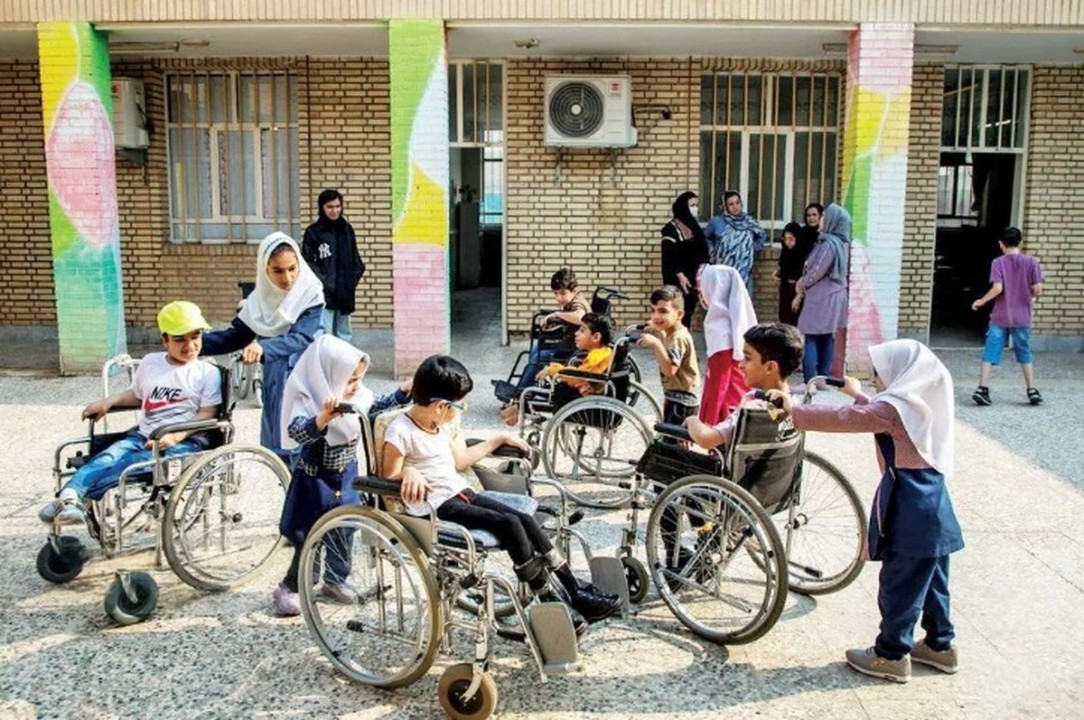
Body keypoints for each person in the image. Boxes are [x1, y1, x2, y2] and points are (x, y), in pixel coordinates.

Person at [768, 339, 964, 683]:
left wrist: (793, 410)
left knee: (899, 583)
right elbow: (879, 414)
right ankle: (940, 645)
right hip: (936, 507)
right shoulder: (921, 403)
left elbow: (849, 418)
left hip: (909, 505)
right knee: (933, 580)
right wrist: (857, 394)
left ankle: (891, 655)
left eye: (879, 372)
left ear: (901, 373)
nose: (875, 378)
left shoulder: (893, 409)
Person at [383, 355, 622, 630]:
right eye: (459, 405)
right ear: (440, 406)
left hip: (462, 494)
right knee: (509, 524)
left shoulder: (441, 425)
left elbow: (460, 461)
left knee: (525, 519)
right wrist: (409, 472)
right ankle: (547, 597)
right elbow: (389, 474)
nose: (460, 411)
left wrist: (498, 439)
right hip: (436, 507)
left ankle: (574, 589)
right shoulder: (400, 430)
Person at [39, 301, 221, 525]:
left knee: (130, 463)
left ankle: (78, 500)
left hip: (184, 441)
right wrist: (109, 402)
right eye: (180, 339)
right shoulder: (151, 362)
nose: (190, 345)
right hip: (143, 434)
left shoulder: (207, 373)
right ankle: (69, 496)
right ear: (165, 340)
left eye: (195, 337)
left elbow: (207, 414)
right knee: (108, 457)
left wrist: (174, 436)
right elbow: (137, 395)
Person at [271, 335, 411, 616]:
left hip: (346, 475)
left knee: (345, 528)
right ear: (327, 377)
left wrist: (402, 393)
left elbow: (375, 408)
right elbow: (297, 431)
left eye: (359, 379)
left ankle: (335, 580)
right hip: (315, 480)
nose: (356, 386)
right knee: (310, 534)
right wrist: (324, 417)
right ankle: (294, 585)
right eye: (350, 380)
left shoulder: (358, 396)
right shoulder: (308, 396)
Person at [202, 232, 324, 464]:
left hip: (307, 376)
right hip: (276, 380)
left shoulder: (310, 294)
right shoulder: (258, 301)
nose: (287, 278)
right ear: (264, 269)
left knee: (305, 443)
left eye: (292, 268)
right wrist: (195, 344)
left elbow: (301, 337)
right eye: (277, 271)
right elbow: (237, 336)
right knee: (277, 443)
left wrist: (264, 348)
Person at [684, 322, 803, 450]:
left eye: (747, 358)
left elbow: (706, 439)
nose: (740, 365)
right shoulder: (795, 404)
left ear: (770, 367)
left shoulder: (754, 409)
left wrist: (691, 420)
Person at [970, 226, 1045, 406]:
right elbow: (1037, 289)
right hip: (1022, 316)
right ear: (1020, 242)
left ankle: (982, 389)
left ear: (1000, 244)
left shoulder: (998, 262)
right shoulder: (1032, 262)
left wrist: (981, 300)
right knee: (1024, 351)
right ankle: (1031, 390)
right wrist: (1032, 296)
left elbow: (998, 288)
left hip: (1000, 316)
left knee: (990, 351)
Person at [500, 312, 615, 426]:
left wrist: (555, 370)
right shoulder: (601, 352)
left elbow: (580, 376)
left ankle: (519, 407)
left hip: (579, 398)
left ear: (596, 337)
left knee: (537, 389)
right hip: (579, 392)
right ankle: (519, 406)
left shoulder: (598, 356)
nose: (576, 333)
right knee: (541, 387)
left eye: (582, 330)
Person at [510, 267, 591, 395]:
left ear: (574, 290)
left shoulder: (578, 303)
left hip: (575, 349)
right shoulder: (572, 300)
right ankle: (530, 384)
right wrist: (553, 318)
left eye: (562, 293)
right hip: (569, 342)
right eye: (556, 293)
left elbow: (580, 317)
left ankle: (519, 394)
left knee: (540, 356)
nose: (558, 298)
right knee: (536, 350)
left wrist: (557, 314)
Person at [794, 203, 850, 383]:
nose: (821, 219)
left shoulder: (828, 244)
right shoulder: (841, 243)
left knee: (809, 337)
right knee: (826, 337)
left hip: (822, 298)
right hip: (833, 296)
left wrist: (801, 284)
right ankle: (823, 379)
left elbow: (817, 270)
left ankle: (811, 380)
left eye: (824, 216)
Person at [301, 189, 365, 342]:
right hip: (325, 293)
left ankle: (344, 358)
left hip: (344, 292)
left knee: (344, 335)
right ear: (322, 207)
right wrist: (324, 282)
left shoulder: (346, 229)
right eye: (329, 207)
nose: (334, 211)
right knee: (325, 335)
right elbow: (307, 262)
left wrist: (350, 282)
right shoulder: (314, 232)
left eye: (337, 206)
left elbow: (356, 260)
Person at [697, 265, 756, 425]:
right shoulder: (735, 323)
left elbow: (718, 383)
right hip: (740, 402)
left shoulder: (720, 329)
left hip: (727, 411)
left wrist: (708, 422)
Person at [637, 285, 701, 425]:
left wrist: (655, 343)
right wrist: (658, 330)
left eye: (663, 311)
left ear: (679, 314)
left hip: (682, 402)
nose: (656, 316)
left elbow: (670, 370)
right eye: (653, 310)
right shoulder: (671, 332)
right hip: (675, 396)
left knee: (672, 437)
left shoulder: (678, 338)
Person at [661, 191, 710, 328]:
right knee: (677, 310)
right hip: (679, 278)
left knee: (688, 311)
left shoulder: (694, 226)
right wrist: (680, 274)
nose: (695, 209)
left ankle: (683, 336)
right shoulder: (671, 228)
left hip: (693, 276)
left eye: (697, 205)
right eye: (692, 205)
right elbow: (669, 255)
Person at [705, 190, 767, 290]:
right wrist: (712, 252)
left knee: (743, 299)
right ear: (725, 206)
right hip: (722, 272)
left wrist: (750, 248)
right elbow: (705, 238)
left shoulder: (749, 222)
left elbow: (761, 235)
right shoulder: (716, 222)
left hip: (744, 272)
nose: (735, 206)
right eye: (731, 204)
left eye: (737, 203)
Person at [773, 221, 814, 326]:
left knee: (796, 320)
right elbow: (783, 268)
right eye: (785, 239)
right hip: (786, 290)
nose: (788, 242)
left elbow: (805, 276)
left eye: (791, 239)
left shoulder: (803, 254)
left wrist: (799, 296)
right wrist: (778, 275)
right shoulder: (786, 252)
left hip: (798, 292)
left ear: (797, 238)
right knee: (785, 319)